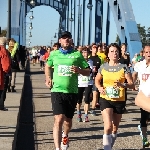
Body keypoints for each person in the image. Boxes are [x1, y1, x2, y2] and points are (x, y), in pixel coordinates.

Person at [45, 31, 90, 150]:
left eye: (68, 38)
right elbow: (48, 66)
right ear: (60, 40)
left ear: (71, 40)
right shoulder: (54, 54)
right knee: (58, 118)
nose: (66, 40)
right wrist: (48, 77)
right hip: (57, 90)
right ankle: (57, 148)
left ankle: (65, 135)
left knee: (68, 122)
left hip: (72, 91)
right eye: (64, 38)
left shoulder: (77, 54)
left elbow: (88, 71)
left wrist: (79, 70)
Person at [95, 43, 134, 150]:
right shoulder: (103, 67)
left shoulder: (124, 67)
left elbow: (132, 84)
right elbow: (97, 80)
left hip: (119, 100)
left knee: (115, 128)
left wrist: (123, 84)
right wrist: (99, 88)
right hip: (105, 98)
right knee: (108, 126)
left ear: (119, 53)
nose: (114, 53)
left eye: (116, 51)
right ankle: (107, 148)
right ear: (108, 54)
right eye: (112, 51)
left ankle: (108, 147)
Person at [132, 45, 150, 148]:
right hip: (143, 95)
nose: (149, 54)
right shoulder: (139, 65)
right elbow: (134, 74)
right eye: (147, 52)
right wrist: (132, 83)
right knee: (144, 118)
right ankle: (144, 139)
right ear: (143, 54)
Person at [77, 49, 93, 122]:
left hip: (89, 82)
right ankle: (78, 112)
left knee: (87, 99)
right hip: (80, 82)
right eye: (83, 52)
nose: (85, 54)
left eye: (86, 52)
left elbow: (92, 72)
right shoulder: (78, 61)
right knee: (79, 100)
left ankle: (86, 115)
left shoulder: (91, 62)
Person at [88, 43, 101, 116]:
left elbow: (100, 69)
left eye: (96, 48)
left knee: (95, 94)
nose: (95, 49)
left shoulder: (99, 59)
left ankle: (93, 109)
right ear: (91, 49)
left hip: (96, 79)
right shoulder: (89, 58)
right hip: (88, 79)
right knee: (88, 95)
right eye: (94, 48)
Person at [0, 37, 11, 110]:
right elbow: (5, 66)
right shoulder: (3, 51)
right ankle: (1, 106)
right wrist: (6, 71)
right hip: (1, 74)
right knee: (2, 90)